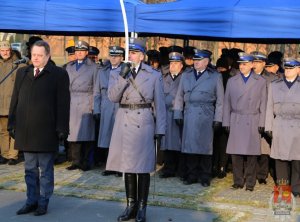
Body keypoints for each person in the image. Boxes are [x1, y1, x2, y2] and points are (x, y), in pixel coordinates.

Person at [106, 37, 166, 222]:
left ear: (142, 55)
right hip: (124, 119)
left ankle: (142, 207)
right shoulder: (118, 73)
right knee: (128, 167)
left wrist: (160, 129)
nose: (130, 56)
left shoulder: (154, 75)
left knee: (143, 168)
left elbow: (160, 105)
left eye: (133, 53)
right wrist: (123, 77)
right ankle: (130, 205)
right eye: (129, 52)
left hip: (144, 122)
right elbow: (112, 97)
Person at [7, 40, 70, 216]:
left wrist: (62, 128)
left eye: (39, 55)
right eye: (34, 55)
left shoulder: (58, 74)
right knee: (29, 170)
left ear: (47, 56)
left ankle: (43, 202)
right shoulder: (22, 72)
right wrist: (12, 123)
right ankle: (31, 201)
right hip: (26, 130)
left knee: (45, 170)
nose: (35, 58)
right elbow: (15, 99)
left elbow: (63, 104)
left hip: (46, 130)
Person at [174, 49, 224, 186]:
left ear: (206, 62)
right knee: (190, 147)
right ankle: (191, 175)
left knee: (205, 148)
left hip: (206, 115)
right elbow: (179, 96)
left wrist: (218, 119)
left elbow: (220, 100)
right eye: (195, 60)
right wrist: (177, 112)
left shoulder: (215, 77)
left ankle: (205, 176)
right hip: (189, 113)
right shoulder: (186, 75)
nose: (196, 62)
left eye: (199, 60)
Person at [223, 52, 267, 191]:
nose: (241, 66)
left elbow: (264, 104)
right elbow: (226, 103)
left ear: (252, 65)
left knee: (252, 154)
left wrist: (262, 123)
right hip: (236, 118)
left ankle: (250, 183)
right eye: (240, 64)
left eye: (245, 64)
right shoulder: (232, 80)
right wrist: (226, 122)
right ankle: (238, 181)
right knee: (236, 154)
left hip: (252, 119)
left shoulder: (261, 81)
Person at [265, 58, 300, 197]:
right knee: (280, 160)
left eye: (291, 69)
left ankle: (296, 188)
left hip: (297, 126)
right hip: (280, 125)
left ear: (298, 69)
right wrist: (269, 126)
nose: (288, 71)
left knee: (297, 160)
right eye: (286, 68)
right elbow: (269, 107)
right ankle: (283, 188)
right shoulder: (274, 85)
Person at [65, 40, 98, 171]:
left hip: (86, 101)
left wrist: (95, 106)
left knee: (86, 135)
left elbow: (96, 88)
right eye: (77, 51)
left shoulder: (94, 67)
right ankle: (75, 161)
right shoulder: (69, 66)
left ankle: (85, 162)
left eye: (82, 51)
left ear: (86, 52)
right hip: (72, 101)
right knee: (73, 135)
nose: (79, 53)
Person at [94, 46, 124, 177]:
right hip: (106, 106)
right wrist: (96, 109)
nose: (113, 58)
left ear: (122, 57)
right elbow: (96, 92)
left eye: (116, 56)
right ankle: (109, 165)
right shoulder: (102, 71)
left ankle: (119, 167)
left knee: (119, 137)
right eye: (111, 55)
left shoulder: (125, 71)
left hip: (119, 106)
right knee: (107, 137)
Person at [251, 51, 277, 185]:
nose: (254, 65)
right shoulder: (246, 76)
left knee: (264, 148)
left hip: (266, 115)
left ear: (263, 64)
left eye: (257, 62)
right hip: (250, 115)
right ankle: (250, 172)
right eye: (253, 62)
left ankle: (262, 174)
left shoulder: (272, 78)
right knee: (249, 146)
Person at [0, 41, 26, 165]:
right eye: (2, 51)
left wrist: (26, 60)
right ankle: (4, 154)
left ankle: (13, 156)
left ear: (10, 51)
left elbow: (29, 68)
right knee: (3, 131)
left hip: (13, 103)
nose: (5, 53)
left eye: (7, 50)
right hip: (0, 104)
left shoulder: (18, 64)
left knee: (14, 131)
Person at [160, 51, 185, 179]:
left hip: (178, 114)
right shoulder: (164, 78)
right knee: (167, 143)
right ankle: (168, 168)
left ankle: (180, 169)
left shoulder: (184, 78)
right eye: (171, 63)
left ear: (181, 65)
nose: (172, 66)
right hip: (165, 114)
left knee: (179, 143)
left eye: (176, 63)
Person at [212, 57, 231, 178]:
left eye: (222, 68)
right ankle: (219, 166)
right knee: (220, 144)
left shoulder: (219, 79)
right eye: (218, 68)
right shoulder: (229, 79)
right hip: (221, 116)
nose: (220, 71)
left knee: (219, 144)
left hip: (220, 116)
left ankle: (219, 166)